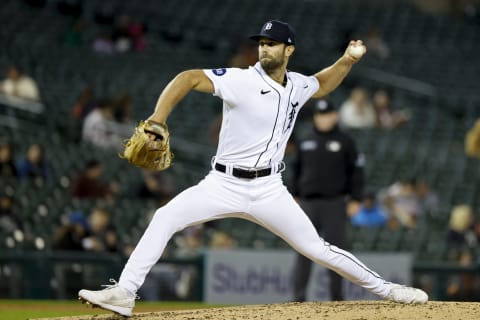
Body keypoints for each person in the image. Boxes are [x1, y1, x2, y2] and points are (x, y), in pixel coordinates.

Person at [78, 20, 428, 317]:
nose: (264, 49)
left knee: (318, 248)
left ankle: (387, 289)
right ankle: (125, 291)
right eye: (262, 43)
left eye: (272, 44)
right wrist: (157, 118)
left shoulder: (297, 85)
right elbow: (187, 78)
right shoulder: (240, 80)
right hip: (222, 183)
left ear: (288, 50)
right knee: (165, 217)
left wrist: (347, 61)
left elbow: (322, 83)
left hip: (268, 190)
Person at [291, 99, 364, 302]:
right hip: (308, 203)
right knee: (304, 251)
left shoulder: (345, 141)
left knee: (337, 253)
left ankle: (337, 298)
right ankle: (298, 298)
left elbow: (356, 172)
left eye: (326, 114)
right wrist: (295, 194)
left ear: (335, 116)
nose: (323, 119)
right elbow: (296, 170)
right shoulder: (305, 140)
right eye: (319, 115)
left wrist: (355, 199)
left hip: (335, 203)